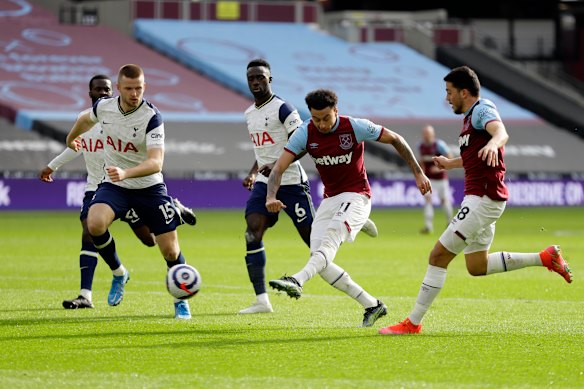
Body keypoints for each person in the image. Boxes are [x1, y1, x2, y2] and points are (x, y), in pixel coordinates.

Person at [379, 66, 573, 335]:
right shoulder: (470, 119)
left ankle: (412, 323)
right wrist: (451, 163)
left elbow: (501, 133)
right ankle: (545, 257)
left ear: (464, 92)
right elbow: (476, 155)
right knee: (477, 266)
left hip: (482, 199)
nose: (447, 98)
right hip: (484, 199)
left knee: (437, 256)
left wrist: (495, 143)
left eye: (449, 92)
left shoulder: (482, 110)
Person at [266, 89, 431, 327]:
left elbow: (396, 139)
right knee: (320, 261)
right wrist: (271, 196)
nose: (321, 124)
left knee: (329, 243)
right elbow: (279, 168)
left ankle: (296, 279)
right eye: (316, 119)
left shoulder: (354, 127)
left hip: (357, 195)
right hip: (330, 200)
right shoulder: (305, 132)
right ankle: (372, 305)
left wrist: (418, 172)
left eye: (326, 118)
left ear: (336, 111)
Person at [40, 74, 197, 310]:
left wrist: (126, 173)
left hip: (148, 187)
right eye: (129, 89)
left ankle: (181, 302)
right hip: (114, 186)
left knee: (166, 249)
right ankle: (113, 276)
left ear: (145, 87)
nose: (135, 94)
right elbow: (84, 119)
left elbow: (156, 163)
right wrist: (70, 138)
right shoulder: (104, 109)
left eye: (139, 89)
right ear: (120, 88)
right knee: (93, 225)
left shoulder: (152, 117)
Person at [240, 59, 378, 314]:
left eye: (261, 77)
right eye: (252, 78)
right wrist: (254, 172)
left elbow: (302, 141)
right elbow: (263, 152)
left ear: (270, 79)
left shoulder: (284, 109)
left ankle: (358, 224)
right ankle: (261, 300)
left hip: (292, 183)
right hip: (266, 181)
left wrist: (281, 164)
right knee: (252, 231)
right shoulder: (250, 114)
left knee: (317, 251)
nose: (256, 82)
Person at [418, 124, 454, 234]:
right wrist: (421, 174)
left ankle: (450, 223)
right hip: (429, 179)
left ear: (432, 134)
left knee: (444, 200)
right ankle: (428, 227)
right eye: (424, 134)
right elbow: (422, 162)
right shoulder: (421, 146)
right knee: (428, 200)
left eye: (428, 134)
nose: (426, 136)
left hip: (441, 179)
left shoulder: (439, 145)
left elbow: (450, 158)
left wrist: (439, 169)